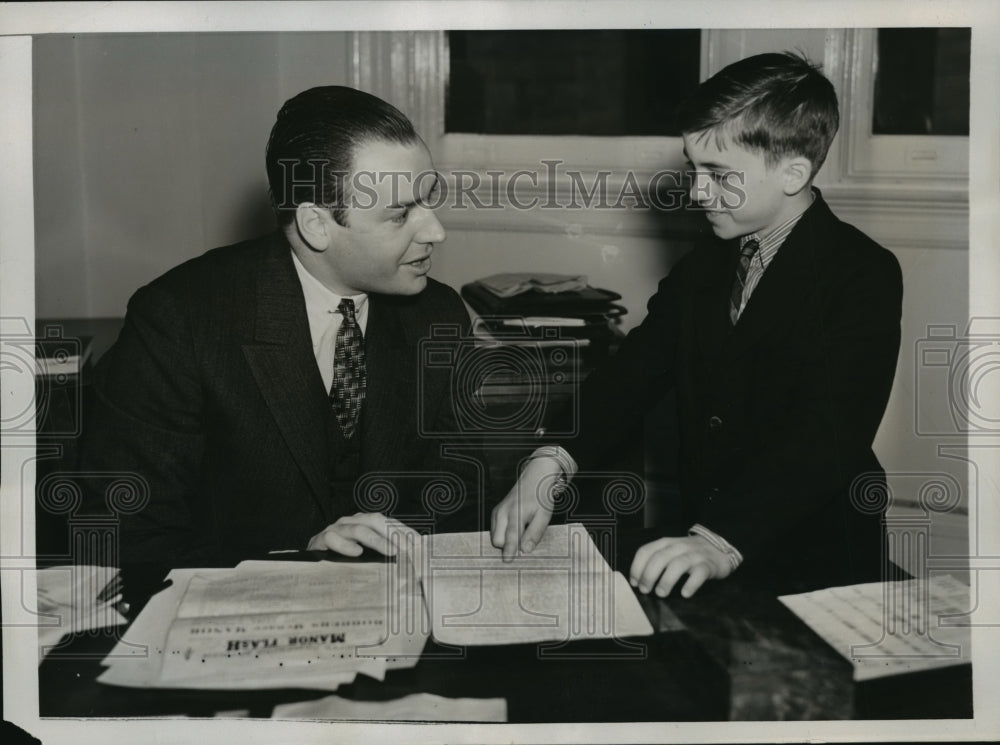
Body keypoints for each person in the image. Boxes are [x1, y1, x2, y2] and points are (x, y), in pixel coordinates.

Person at [491, 52, 903, 596]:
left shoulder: (862, 272)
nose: (698, 192)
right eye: (694, 169)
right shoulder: (706, 262)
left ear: (793, 172)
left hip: (817, 553)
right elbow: (634, 373)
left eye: (719, 174)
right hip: (703, 543)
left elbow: (827, 435)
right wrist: (552, 461)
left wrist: (720, 539)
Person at [79, 86, 481, 566]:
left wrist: (545, 463)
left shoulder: (439, 316)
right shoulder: (180, 319)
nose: (436, 231)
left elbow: (456, 500)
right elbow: (125, 535)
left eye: (428, 201)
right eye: (400, 214)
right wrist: (294, 560)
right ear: (315, 225)